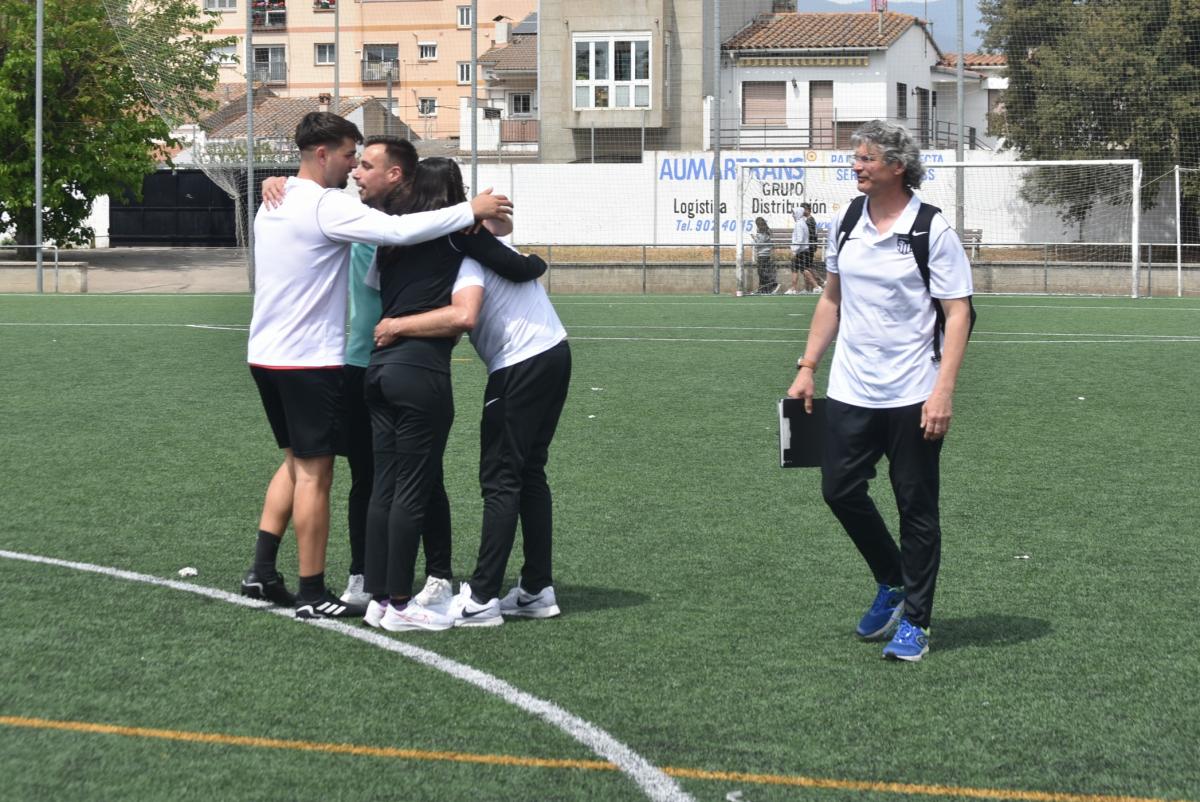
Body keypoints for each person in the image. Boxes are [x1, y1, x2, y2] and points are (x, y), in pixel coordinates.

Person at [241, 112, 512, 621]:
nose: (353, 169)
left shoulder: (278, 200)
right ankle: (313, 590)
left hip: (268, 354)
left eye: (363, 162)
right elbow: (398, 231)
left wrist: (276, 180)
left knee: (301, 464)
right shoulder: (328, 206)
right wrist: (469, 209)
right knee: (319, 474)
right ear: (323, 153)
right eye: (350, 156)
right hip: (315, 361)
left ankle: (264, 570)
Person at [785, 120, 973, 662]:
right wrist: (808, 366)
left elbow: (959, 314)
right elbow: (832, 298)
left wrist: (943, 392)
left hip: (914, 391)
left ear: (897, 165)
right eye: (856, 157)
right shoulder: (848, 219)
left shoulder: (931, 230)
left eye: (867, 158)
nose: (857, 166)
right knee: (838, 489)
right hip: (851, 387)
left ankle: (916, 621)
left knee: (916, 506)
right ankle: (892, 578)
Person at [362, 157, 548, 633]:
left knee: (385, 486)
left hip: (379, 369)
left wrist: (393, 323)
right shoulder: (457, 240)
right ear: (454, 199)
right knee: (416, 489)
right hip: (420, 370)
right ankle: (405, 604)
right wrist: (533, 259)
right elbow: (485, 295)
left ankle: (378, 598)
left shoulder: (393, 242)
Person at [790, 203, 822, 294]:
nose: (792, 215)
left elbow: (802, 238)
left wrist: (795, 250)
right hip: (803, 248)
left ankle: (818, 285)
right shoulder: (802, 222)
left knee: (805, 268)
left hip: (804, 249)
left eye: (794, 213)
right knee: (800, 268)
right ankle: (799, 288)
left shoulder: (805, 222)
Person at [752, 217, 777, 294]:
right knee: (761, 273)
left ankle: (771, 284)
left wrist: (754, 238)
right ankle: (763, 289)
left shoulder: (764, 233)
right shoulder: (764, 232)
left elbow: (759, 244)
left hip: (763, 255)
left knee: (761, 273)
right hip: (764, 255)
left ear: (759, 225)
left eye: (757, 225)